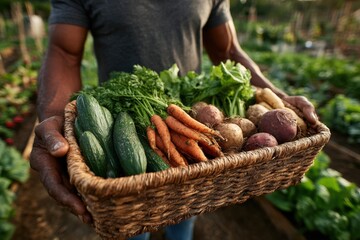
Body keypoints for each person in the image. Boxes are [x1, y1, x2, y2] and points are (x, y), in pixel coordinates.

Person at [30, 1, 319, 240]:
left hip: (190, 129)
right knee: (131, 226)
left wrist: (277, 97)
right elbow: (64, 53)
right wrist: (54, 120)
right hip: (122, 123)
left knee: (186, 216)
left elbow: (227, 50)